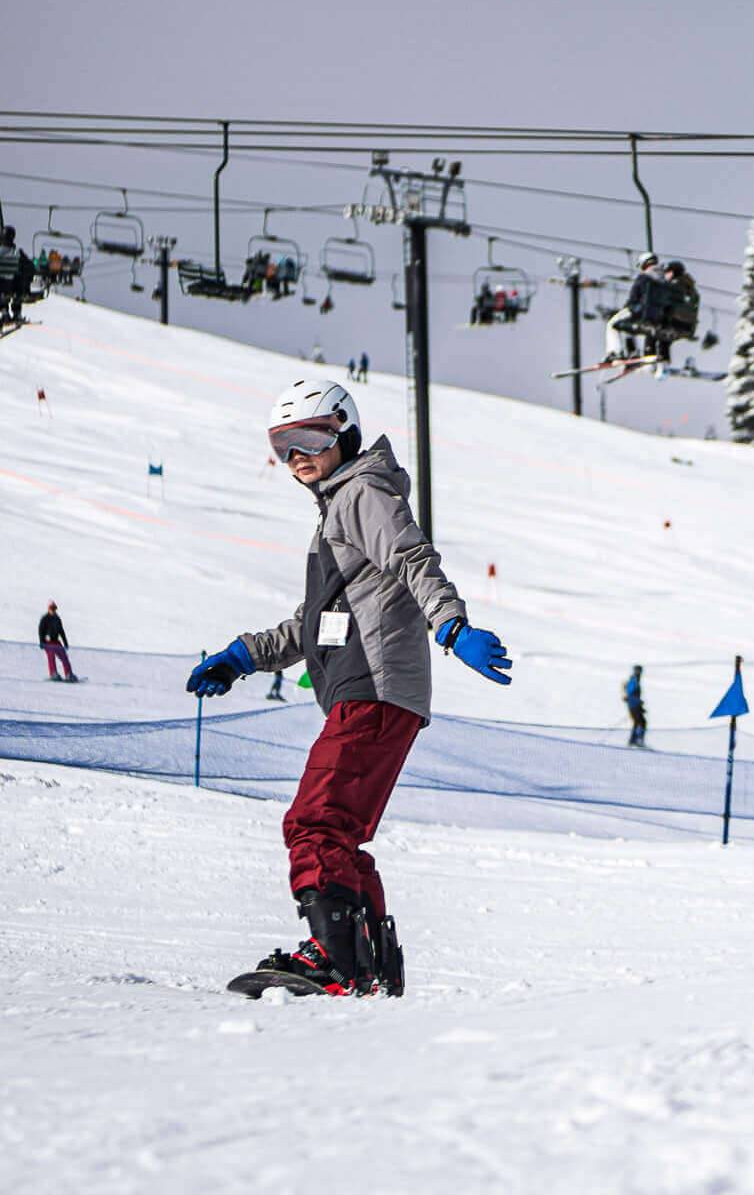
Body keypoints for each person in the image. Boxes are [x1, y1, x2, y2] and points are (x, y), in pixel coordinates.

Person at [186, 378, 512, 997]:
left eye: (310, 438)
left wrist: (451, 626)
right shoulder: (339, 507)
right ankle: (367, 965)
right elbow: (317, 622)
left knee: (315, 821)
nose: (297, 457)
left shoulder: (361, 492)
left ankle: (333, 960)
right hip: (370, 690)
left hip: (373, 688)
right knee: (339, 831)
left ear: (345, 431)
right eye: (283, 445)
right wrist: (243, 656)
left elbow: (413, 559)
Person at [604, 254, 663, 361]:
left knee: (612, 323)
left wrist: (626, 308)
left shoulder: (643, 278)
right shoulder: (663, 279)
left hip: (640, 310)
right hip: (656, 314)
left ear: (644, 264)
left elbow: (633, 298)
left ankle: (615, 352)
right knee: (627, 325)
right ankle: (633, 351)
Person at [39, 602, 77, 682]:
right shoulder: (45, 619)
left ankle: (69, 674)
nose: (53, 610)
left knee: (64, 658)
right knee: (51, 658)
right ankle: (53, 674)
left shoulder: (57, 619)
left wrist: (65, 643)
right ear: (48, 609)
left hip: (56, 642)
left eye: (54, 609)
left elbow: (61, 631)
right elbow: (41, 630)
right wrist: (41, 642)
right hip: (48, 643)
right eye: (51, 609)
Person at [623, 665, 646, 746]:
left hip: (634, 705)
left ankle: (634, 740)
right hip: (633, 705)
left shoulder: (636, 680)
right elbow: (631, 693)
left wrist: (640, 705)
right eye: (638, 671)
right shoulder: (634, 680)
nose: (639, 672)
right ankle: (637, 740)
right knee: (641, 722)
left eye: (640, 671)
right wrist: (638, 702)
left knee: (638, 722)